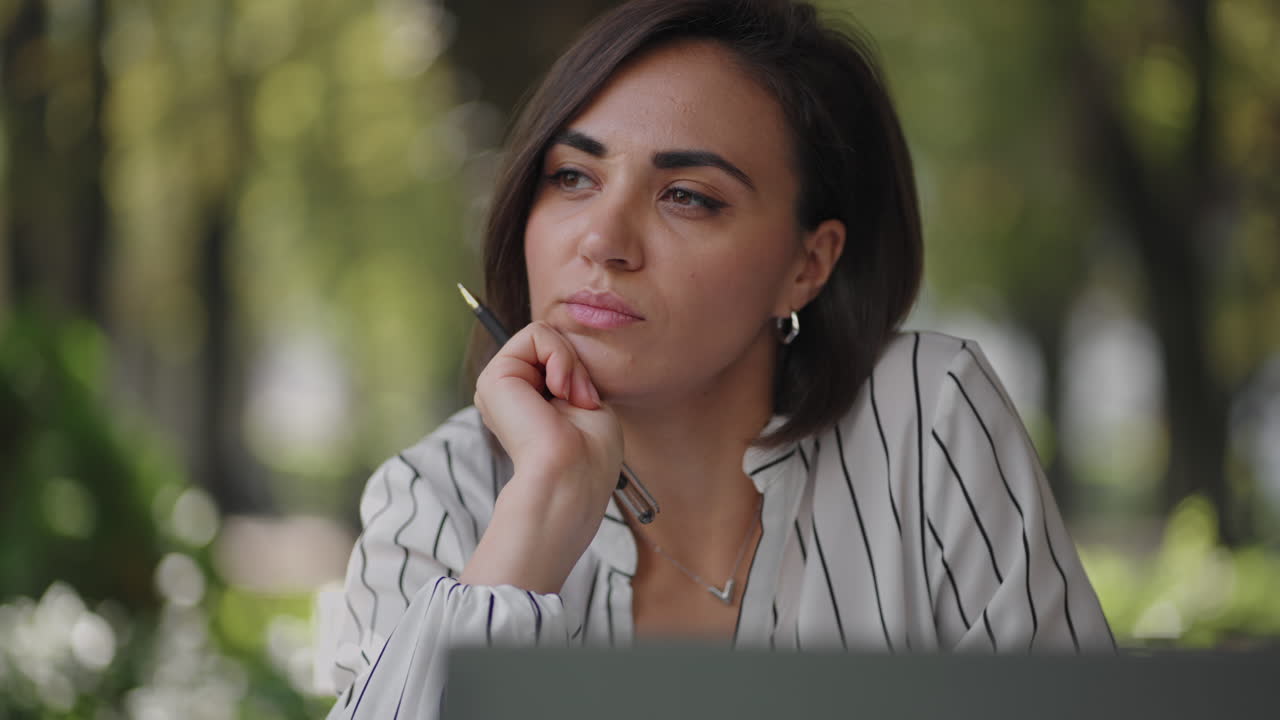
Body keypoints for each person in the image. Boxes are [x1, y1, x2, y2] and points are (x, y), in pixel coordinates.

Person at [323, 0, 1115, 716]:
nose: (602, 241)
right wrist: (533, 525)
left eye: (688, 196)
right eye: (572, 177)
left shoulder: (926, 420)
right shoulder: (434, 497)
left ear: (807, 265)